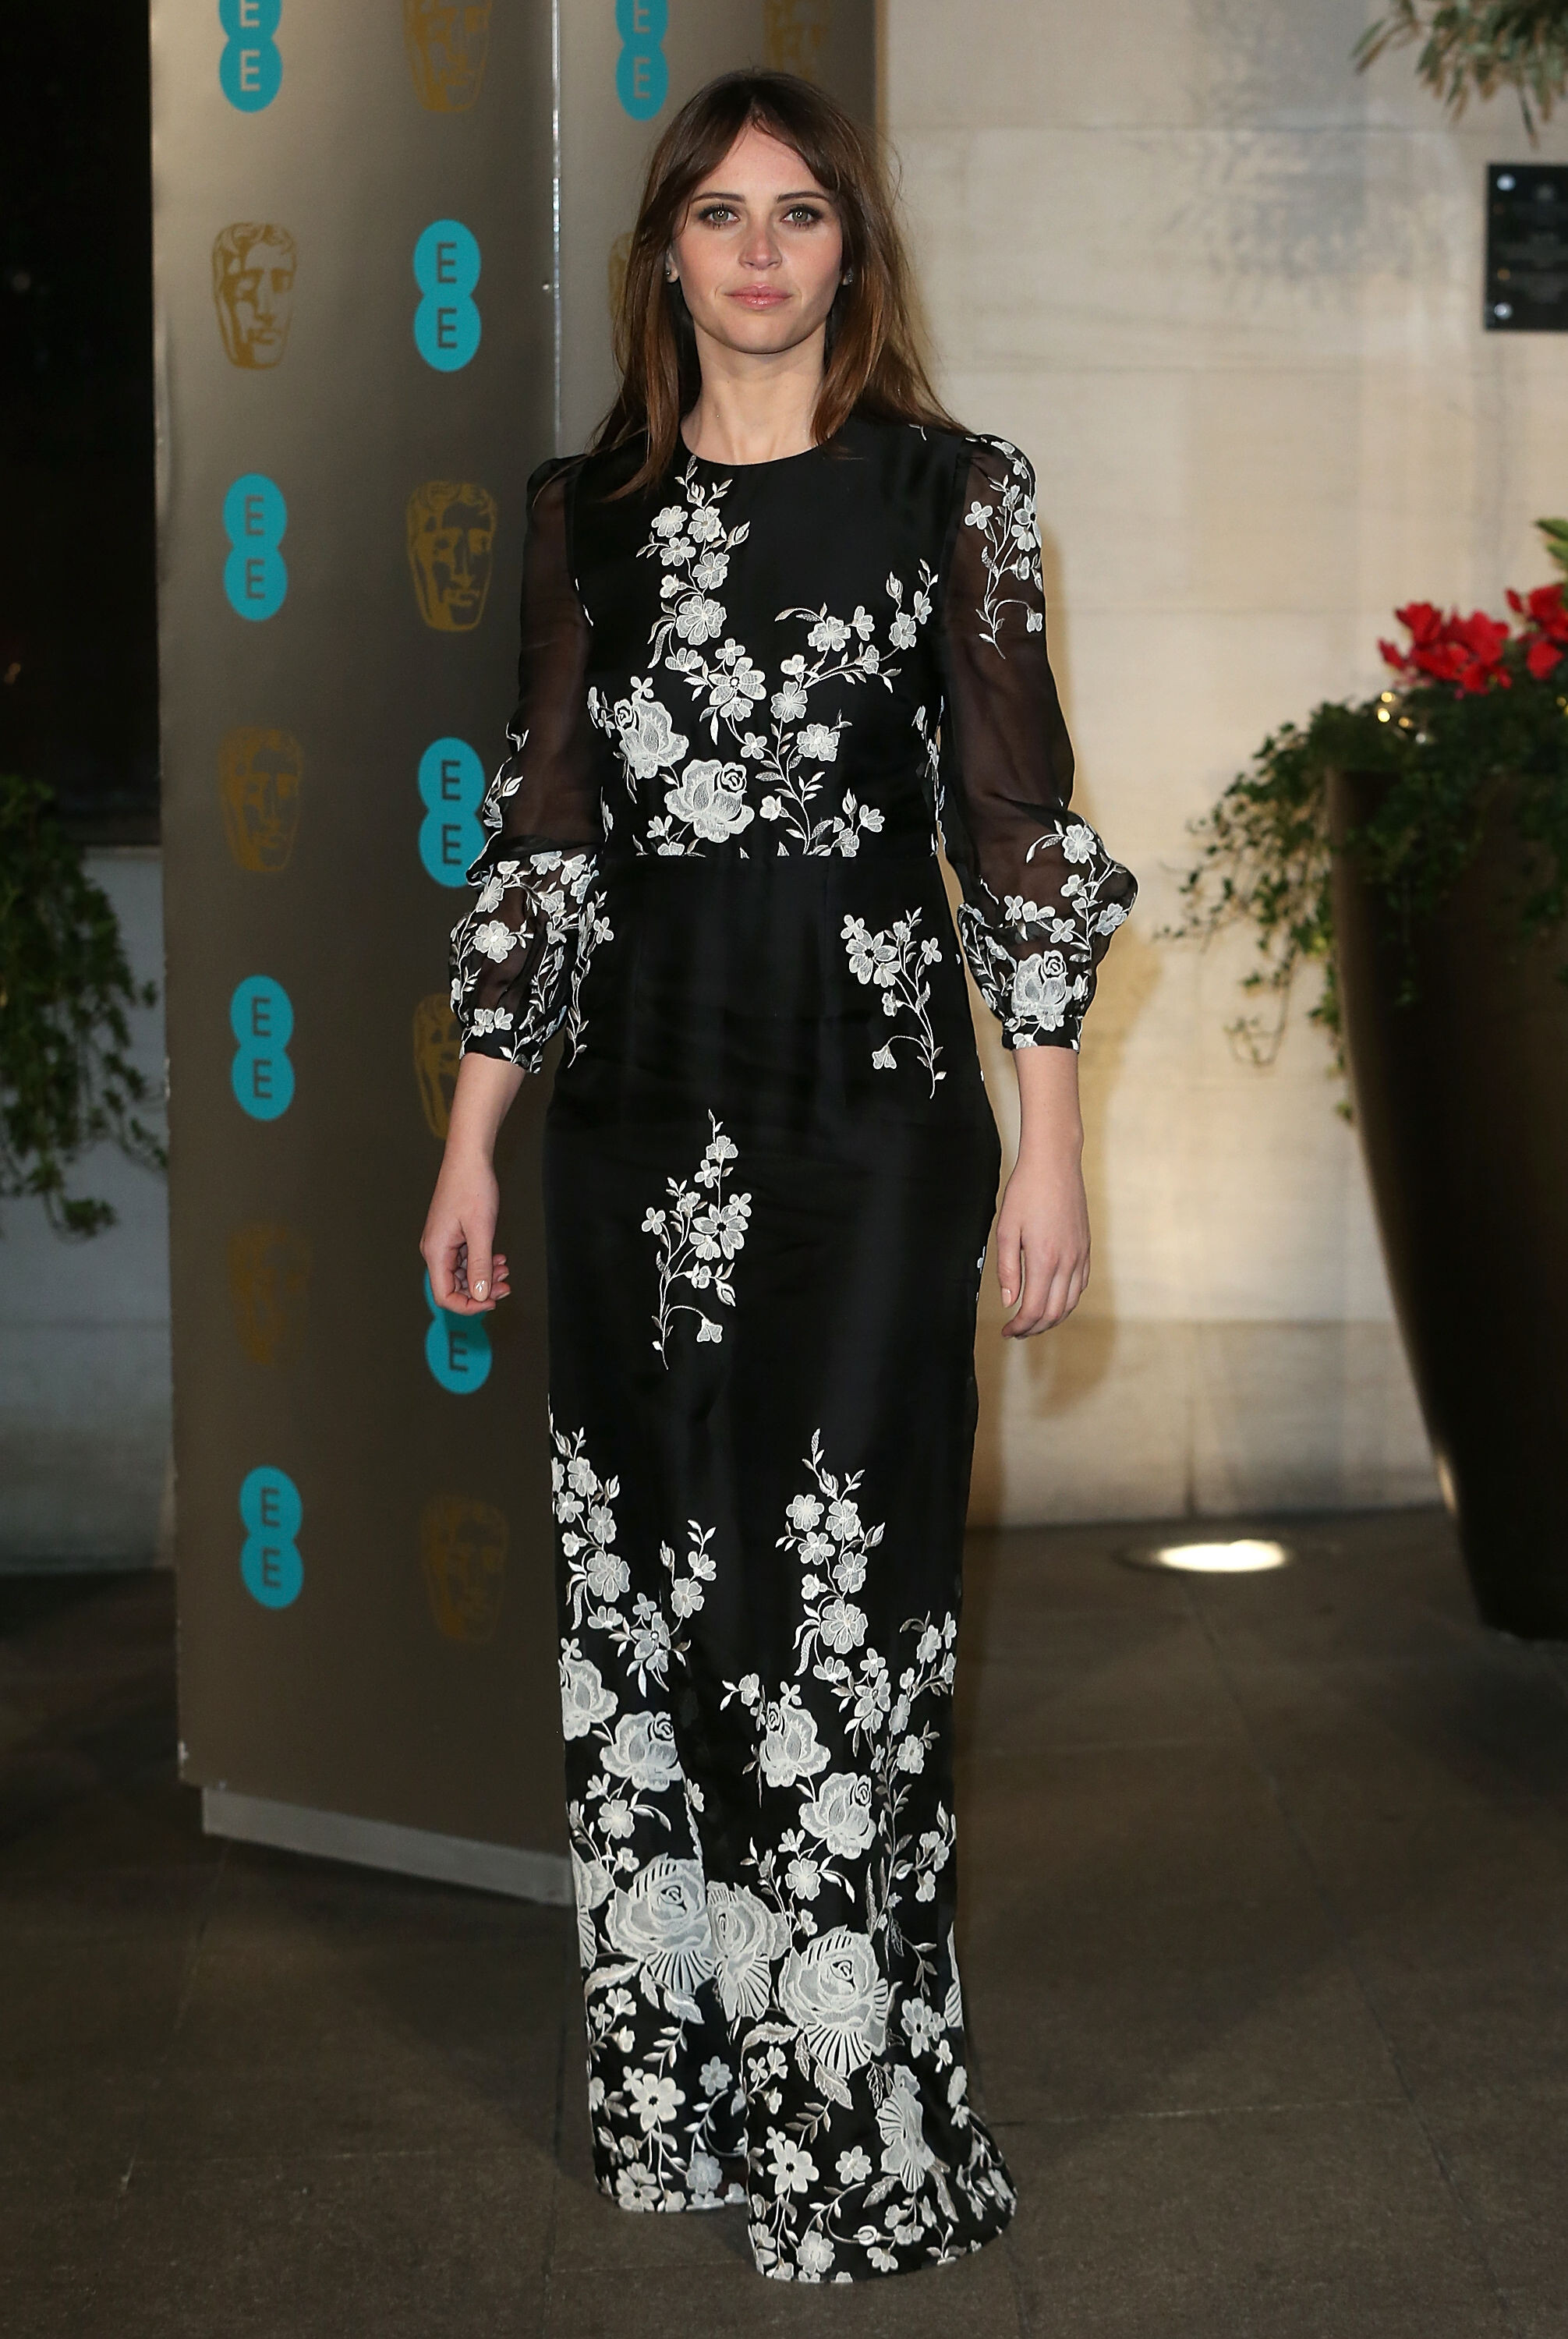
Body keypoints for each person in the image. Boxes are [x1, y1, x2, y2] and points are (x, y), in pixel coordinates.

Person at [420, 67, 1136, 2284]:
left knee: (834, 1603)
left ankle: (852, 2123)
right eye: (718, 214)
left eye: (799, 213)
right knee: (650, 1596)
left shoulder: (952, 495)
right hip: (632, 1124)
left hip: (874, 1122)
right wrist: (472, 1139)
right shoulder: (582, 518)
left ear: (853, 249)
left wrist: (1049, 1148)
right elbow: (543, 843)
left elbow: (1015, 835)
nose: (757, 252)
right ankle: (690, 2094)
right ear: (663, 249)